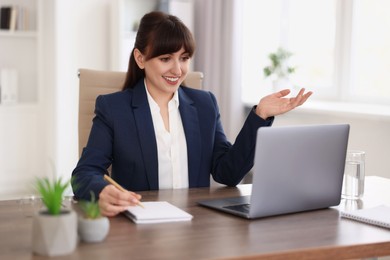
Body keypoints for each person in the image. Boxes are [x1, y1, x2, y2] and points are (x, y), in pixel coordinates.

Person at [72, 11, 312, 217]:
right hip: (140, 226)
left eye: (184, 58)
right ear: (140, 58)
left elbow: (227, 173)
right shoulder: (114, 109)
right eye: (166, 58)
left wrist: (260, 115)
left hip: (195, 225)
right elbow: (84, 173)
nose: (177, 70)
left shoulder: (205, 105)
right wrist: (101, 191)